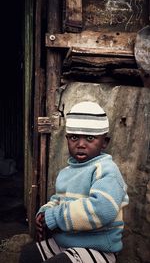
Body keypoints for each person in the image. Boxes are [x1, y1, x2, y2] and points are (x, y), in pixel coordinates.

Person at [19, 101, 129, 263]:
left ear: (104, 142)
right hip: (65, 242)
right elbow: (57, 200)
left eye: (90, 138)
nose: (81, 144)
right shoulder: (66, 172)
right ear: (67, 139)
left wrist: (55, 217)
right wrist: (44, 213)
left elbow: (101, 210)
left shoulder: (106, 170)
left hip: (98, 248)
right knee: (28, 254)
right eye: (74, 137)